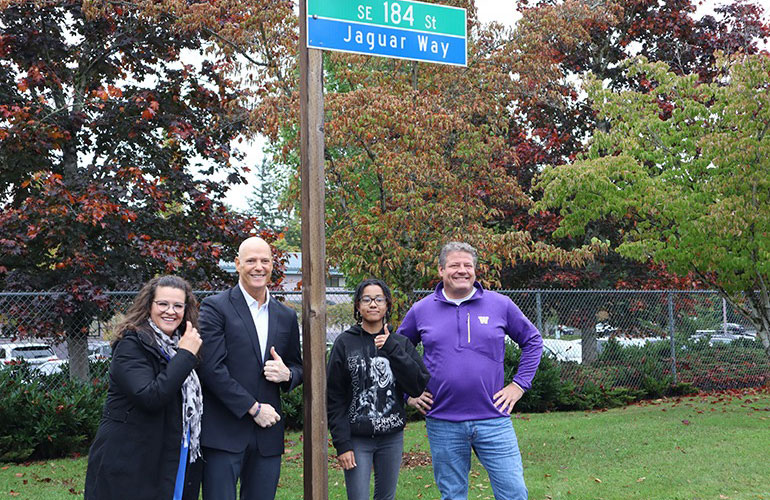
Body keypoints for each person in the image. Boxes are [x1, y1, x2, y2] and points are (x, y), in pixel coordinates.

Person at [397, 242, 543, 500]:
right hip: (443, 421)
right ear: (441, 270)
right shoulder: (421, 310)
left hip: (494, 419)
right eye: (454, 265)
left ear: (475, 271)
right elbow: (397, 353)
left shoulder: (500, 305)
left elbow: (533, 341)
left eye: (468, 265)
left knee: (514, 492)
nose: (462, 270)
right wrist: (408, 394)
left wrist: (519, 385)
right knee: (453, 496)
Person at [198, 236, 303, 500]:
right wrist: (252, 408)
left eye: (265, 261)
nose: (259, 267)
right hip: (224, 432)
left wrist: (288, 374)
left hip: (267, 436)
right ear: (237, 264)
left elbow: (297, 366)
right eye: (251, 261)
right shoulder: (215, 307)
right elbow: (210, 368)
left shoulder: (286, 315)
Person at [85, 275, 203, 500]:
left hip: (173, 452)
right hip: (129, 458)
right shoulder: (131, 343)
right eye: (163, 304)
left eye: (178, 305)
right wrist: (186, 355)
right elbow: (150, 396)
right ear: (149, 305)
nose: (171, 311)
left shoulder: (181, 343)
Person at [327, 279, 431, 500]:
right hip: (357, 439)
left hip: (391, 438)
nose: (372, 304)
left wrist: (391, 348)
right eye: (366, 299)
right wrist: (342, 444)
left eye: (378, 299)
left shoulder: (400, 344)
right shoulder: (345, 343)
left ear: (387, 305)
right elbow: (334, 397)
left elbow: (417, 385)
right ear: (357, 305)